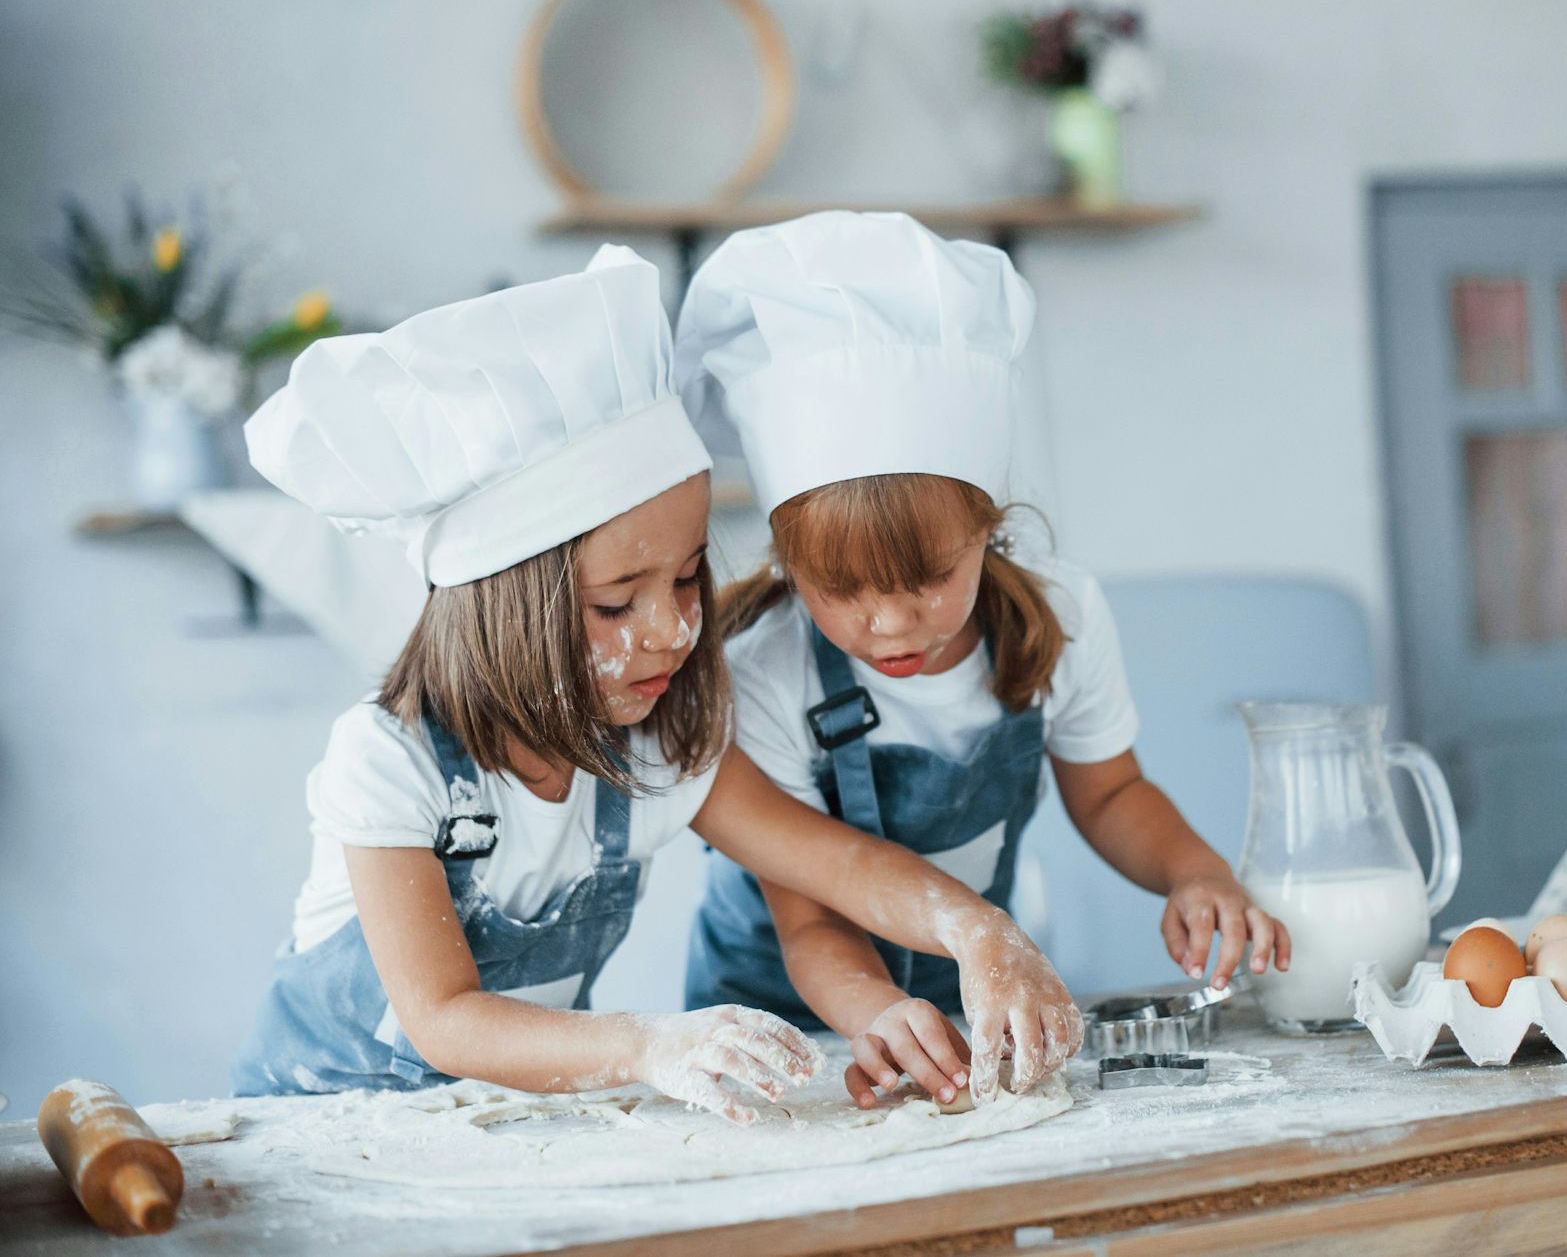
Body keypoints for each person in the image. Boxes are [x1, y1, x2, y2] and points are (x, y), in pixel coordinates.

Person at [230, 245, 1078, 1120]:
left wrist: (974, 930)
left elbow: (842, 864)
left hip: (502, 1130)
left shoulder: (657, 750)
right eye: (614, 603)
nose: (672, 630)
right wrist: (651, 1044)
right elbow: (445, 1017)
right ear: (503, 606)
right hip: (317, 1131)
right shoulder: (389, 761)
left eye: (686, 579)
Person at [676, 212, 1288, 1110]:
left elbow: (1111, 793)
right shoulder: (768, 673)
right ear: (787, 563)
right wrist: (879, 1013)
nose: (892, 624)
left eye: (930, 577)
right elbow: (809, 920)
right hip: (784, 1034)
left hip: (954, 1007)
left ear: (987, 528)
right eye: (841, 589)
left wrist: (1194, 872)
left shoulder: (1057, 619)